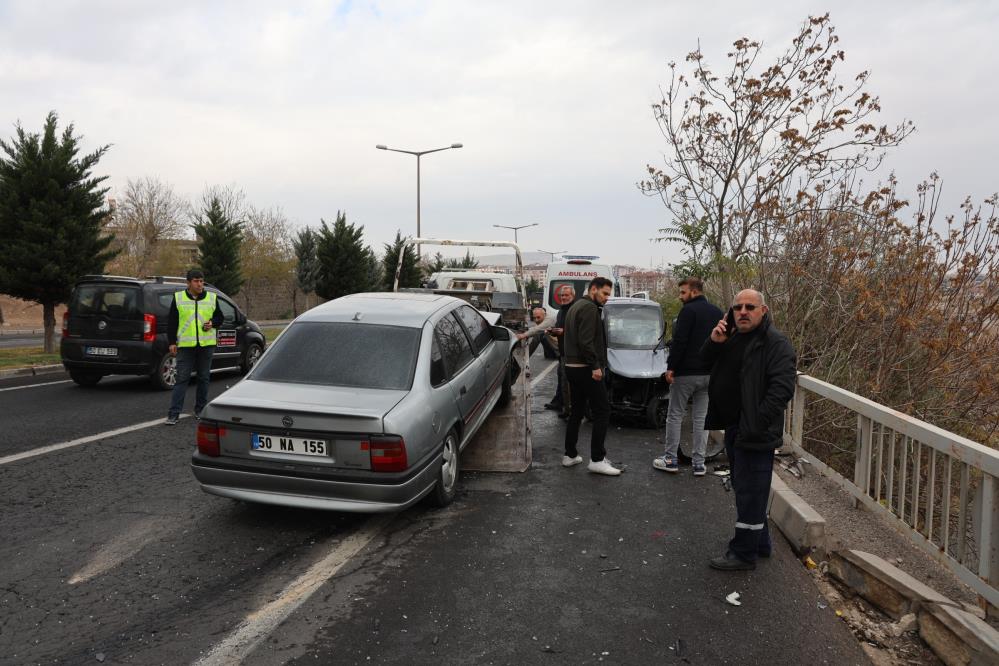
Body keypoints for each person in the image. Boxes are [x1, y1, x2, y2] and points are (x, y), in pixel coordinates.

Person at [701, 289, 796, 570]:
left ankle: (743, 553)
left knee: (751, 492)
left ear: (763, 311)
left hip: (754, 431)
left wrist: (755, 421)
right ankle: (761, 543)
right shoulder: (731, 338)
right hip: (734, 427)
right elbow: (703, 362)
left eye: (749, 307)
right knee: (746, 487)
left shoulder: (775, 343)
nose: (742, 312)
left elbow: (782, 389)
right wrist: (714, 342)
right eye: (737, 307)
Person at [653, 277, 723, 476]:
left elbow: (680, 341)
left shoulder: (688, 311)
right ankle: (699, 464)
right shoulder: (717, 311)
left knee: (675, 415)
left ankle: (670, 459)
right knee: (701, 418)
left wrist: (670, 367)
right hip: (709, 374)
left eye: (683, 292)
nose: (680, 296)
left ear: (694, 292)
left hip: (686, 373)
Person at [562, 277, 620, 475]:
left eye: (608, 295)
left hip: (572, 366)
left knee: (577, 410)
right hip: (585, 368)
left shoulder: (576, 305)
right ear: (593, 289)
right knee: (602, 410)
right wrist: (595, 366)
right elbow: (586, 341)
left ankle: (570, 455)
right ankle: (597, 459)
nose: (606, 298)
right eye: (604, 293)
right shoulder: (588, 308)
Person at [164, 269, 224, 425]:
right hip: (185, 346)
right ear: (188, 283)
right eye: (196, 281)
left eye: (201, 281)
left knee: (204, 378)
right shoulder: (178, 298)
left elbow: (220, 317)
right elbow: (172, 322)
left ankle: (200, 409)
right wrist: (171, 342)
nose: (199, 284)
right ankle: (173, 413)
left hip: (206, 345)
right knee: (182, 379)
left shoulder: (211, 297)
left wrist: (212, 323)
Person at [545, 284, 577, 415]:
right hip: (563, 351)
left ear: (573, 296)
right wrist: (552, 331)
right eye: (562, 295)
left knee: (569, 383)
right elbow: (559, 328)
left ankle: (570, 411)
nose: (563, 297)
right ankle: (562, 405)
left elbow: (578, 331)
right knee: (562, 380)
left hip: (572, 353)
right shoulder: (561, 310)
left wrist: (563, 331)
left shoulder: (575, 310)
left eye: (566, 295)